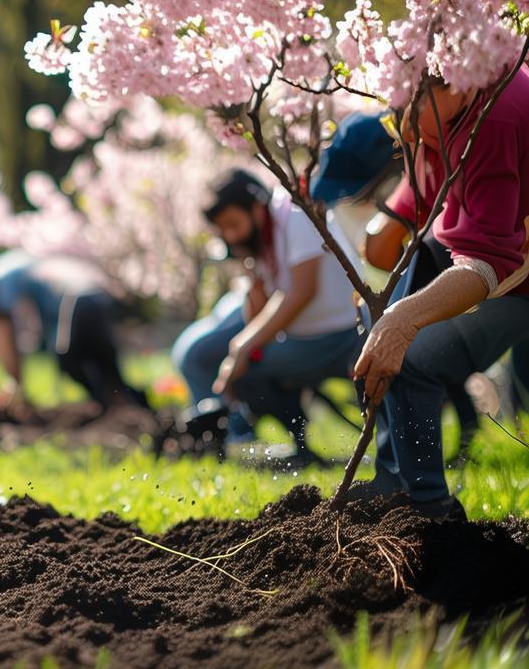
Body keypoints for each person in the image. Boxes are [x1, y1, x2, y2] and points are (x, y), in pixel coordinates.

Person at [351, 69, 529, 519]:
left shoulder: (496, 117)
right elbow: (421, 200)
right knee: (385, 329)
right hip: (485, 257)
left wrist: (402, 320)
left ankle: (430, 514)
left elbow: (487, 259)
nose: (400, 125)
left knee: (414, 358)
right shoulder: (446, 114)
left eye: (408, 109)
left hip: (516, 272)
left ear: (456, 81)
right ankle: (394, 485)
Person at [310, 111, 483, 457]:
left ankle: (440, 448)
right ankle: (404, 457)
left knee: (420, 357)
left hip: (464, 275)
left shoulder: (430, 172)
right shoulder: (380, 200)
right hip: (398, 286)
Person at [172, 168, 363, 467]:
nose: (231, 235)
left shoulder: (296, 214)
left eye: (234, 224)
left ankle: (301, 445)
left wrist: (242, 348)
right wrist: (252, 276)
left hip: (341, 334)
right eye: (224, 230)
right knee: (243, 367)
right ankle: (301, 447)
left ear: (257, 207)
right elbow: (258, 315)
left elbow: (302, 292)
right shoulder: (263, 239)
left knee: (246, 367)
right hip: (306, 338)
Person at [0, 250, 146, 412]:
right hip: (96, 295)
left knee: (68, 359)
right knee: (105, 361)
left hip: (75, 300)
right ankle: (132, 404)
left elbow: (4, 337)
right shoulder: (5, 268)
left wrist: (15, 386)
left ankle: (107, 404)